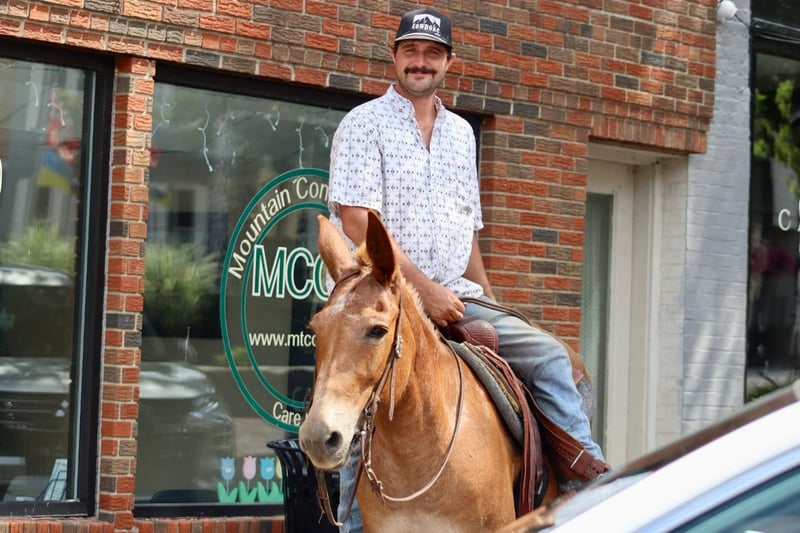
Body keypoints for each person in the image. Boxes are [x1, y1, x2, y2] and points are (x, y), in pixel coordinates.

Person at [326, 7, 607, 532]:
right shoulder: (362, 124)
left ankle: (584, 487)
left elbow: (468, 232)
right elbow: (359, 223)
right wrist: (424, 292)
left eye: (432, 53)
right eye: (411, 51)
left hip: (458, 293)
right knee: (362, 397)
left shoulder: (461, 134)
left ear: (449, 62)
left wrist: (489, 298)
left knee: (551, 358)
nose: (421, 62)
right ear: (394, 56)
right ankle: (354, 521)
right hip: (383, 299)